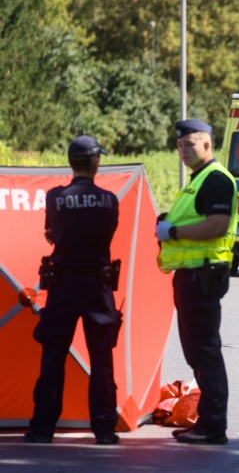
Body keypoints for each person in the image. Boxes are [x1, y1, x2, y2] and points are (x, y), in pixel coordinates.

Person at [26, 136, 121, 445]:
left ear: (71, 163)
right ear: (95, 163)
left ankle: (42, 429)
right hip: (98, 285)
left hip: (62, 285)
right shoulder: (109, 199)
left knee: (53, 356)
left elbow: (51, 234)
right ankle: (105, 431)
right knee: (102, 359)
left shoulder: (55, 197)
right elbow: (106, 234)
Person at [156, 119, 238, 445]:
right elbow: (196, 218)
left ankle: (213, 427)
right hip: (192, 275)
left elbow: (217, 225)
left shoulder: (215, 179)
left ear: (206, 143)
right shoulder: (198, 180)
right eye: (179, 146)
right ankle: (206, 422)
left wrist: (173, 231)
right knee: (197, 354)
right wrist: (169, 222)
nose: (183, 151)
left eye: (189, 144)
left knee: (205, 353)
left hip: (203, 275)